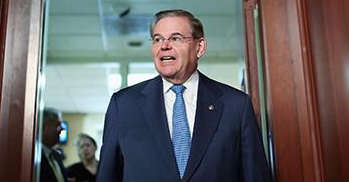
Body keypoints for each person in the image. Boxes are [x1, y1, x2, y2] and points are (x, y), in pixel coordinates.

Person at [97, 9, 272, 181]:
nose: (164, 45)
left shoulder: (235, 105)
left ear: (199, 47)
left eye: (175, 38)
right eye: (157, 39)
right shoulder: (124, 105)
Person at [40, 107, 68, 182]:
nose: (62, 129)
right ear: (43, 127)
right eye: (58, 125)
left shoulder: (56, 156)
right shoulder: (33, 156)